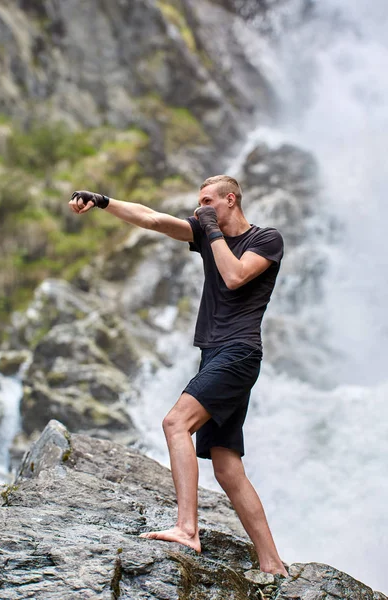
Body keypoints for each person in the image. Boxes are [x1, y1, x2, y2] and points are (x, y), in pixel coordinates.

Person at [69, 175, 288, 577]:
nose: (200, 207)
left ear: (230, 199)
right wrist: (103, 200)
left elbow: (235, 276)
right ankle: (272, 564)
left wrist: (207, 228)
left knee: (175, 422)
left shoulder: (266, 239)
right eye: (198, 202)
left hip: (239, 352)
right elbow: (151, 219)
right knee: (226, 466)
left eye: (207, 201)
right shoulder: (208, 234)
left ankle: (188, 529)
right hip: (214, 354)